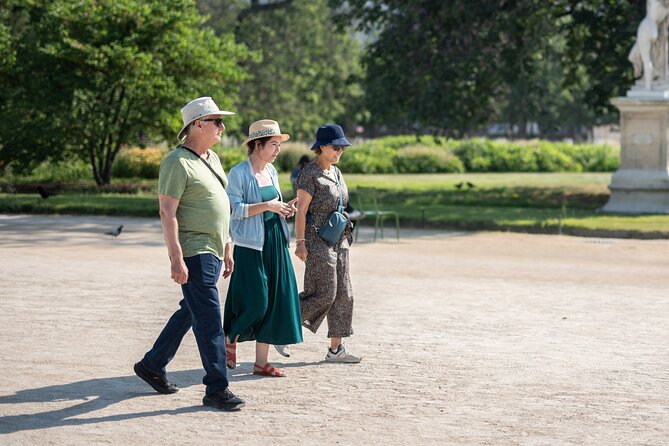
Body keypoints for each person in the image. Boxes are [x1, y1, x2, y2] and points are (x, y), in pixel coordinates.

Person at [134, 97, 245, 411]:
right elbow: (167, 212)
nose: (222, 127)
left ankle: (153, 364)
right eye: (216, 121)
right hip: (193, 251)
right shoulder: (177, 162)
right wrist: (176, 258)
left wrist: (227, 245)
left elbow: (219, 204)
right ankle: (217, 388)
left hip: (212, 248)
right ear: (198, 124)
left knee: (191, 310)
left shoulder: (211, 158)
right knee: (209, 320)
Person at [223, 119, 303, 377]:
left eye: (279, 145)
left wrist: (284, 210)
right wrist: (268, 206)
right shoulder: (238, 173)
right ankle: (231, 336)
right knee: (257, 301)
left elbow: (274, 206)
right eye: (273, 144)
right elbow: (233, 211)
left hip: (276, 241)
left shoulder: (272, 172)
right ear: (257, 145)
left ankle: (261, 363)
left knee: (276, 302)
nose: (278, 150)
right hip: (251, 246)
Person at [293, 124, 362, 363]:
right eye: (336, 147)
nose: (340, 151)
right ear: (321, 147)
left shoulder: (336, 172)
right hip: (316, 239)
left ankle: (336, 349)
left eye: (343, 147)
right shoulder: (309, 173)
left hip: (339, 239)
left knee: (344, 294)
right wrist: (300, 243)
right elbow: (300, 211)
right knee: (324, 293)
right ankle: (281, 326)